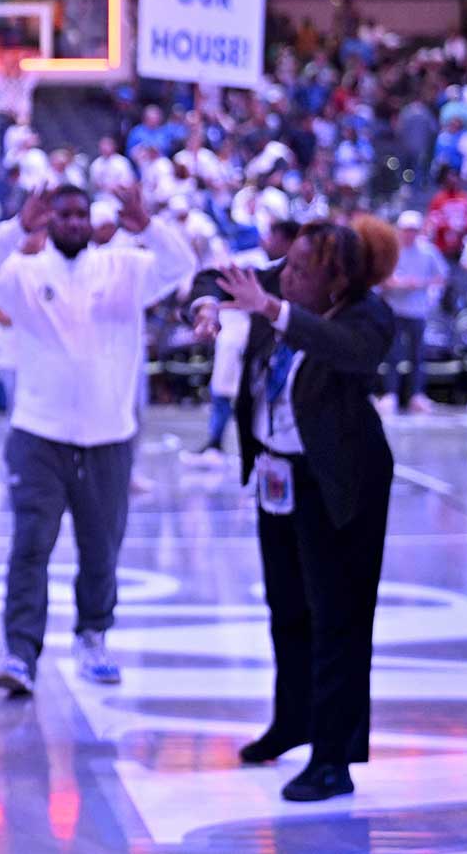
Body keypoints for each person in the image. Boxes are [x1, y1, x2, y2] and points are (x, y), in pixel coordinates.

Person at [188, 218, 399, 802]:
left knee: (340, 618)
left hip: (339, 483)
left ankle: (333, 758)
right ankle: (293, 720)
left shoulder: (368, 317)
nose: (287, 275)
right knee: (288, 609)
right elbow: (209, 277)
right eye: (289, 265)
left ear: (338, 280)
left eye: (302, 269)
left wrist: (271, 310)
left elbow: (346, 351)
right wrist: (208, 306)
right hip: (276, 475)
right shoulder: (281, 283)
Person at [0, 183, 193, 694]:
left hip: (109, 436)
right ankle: (20, 653)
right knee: (30, 548)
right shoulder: (24, 273)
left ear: (91, 221)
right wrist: (16, 228)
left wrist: (148, 224)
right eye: (61, 214)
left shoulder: (125, 268)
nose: (72, 222)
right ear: (47, 221)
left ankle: (93, 638)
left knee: (101, 549)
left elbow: (182, 266)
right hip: (38, 435)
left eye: (80, 214)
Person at [183, 220, 299, 466]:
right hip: (235, 334)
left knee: (241, 393)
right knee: (225, 393)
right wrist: (209, 305)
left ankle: (227, 446)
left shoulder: (265, 266)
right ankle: (219, 444)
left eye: (273, 236)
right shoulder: (261, 266)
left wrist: (261, 305)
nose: (267, 241)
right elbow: (214, 281)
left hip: (248, 338)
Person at [377, 211, 449, 415]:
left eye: (413, 230)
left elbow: (441, 277)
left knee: (417, 356)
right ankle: (390, 394)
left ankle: (416, 396)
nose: (409, 234)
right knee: (393, 355)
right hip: (394, 309)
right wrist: (397, 284)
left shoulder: (428, 252)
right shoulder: (392, 250)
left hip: (417, 311)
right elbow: (381, 279)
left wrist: (420, 285)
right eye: (406, 230)